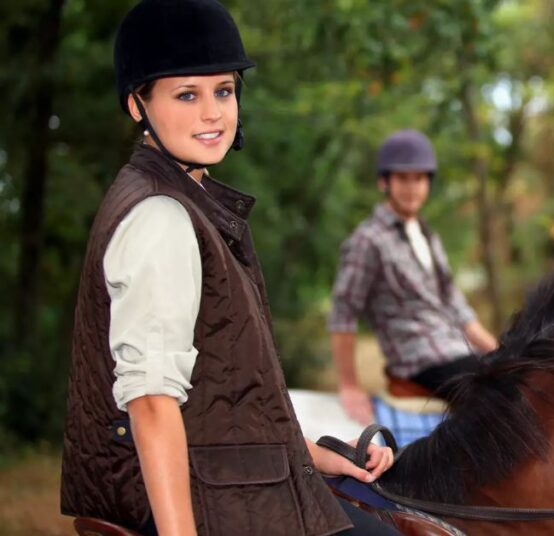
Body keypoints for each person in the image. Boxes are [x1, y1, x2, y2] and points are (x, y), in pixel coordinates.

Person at [59, 1, 396, 534]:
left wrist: (313, 455)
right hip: (200, 503)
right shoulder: (160, 216)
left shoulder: (187, 201)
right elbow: (150, 401)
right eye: (186, 95)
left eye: (223, 90)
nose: (213, 113)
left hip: (228, 478)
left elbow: (222, 398)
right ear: (136, 105)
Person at [329, 129, 499, 425]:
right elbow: (343, 313)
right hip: (418, 358)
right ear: (384, 181)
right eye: (403, 179)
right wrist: (349, 385)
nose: (412, 188)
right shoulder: (368, 241)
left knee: (522, 378)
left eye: (419, 178)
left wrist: (498, 350)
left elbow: (455, 304)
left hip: (455, 348)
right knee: (492, 399)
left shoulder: (427, 235)